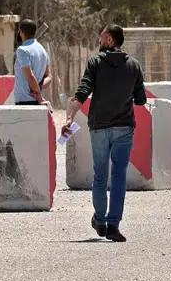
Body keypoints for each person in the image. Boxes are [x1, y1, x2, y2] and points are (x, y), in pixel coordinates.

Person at [60, 24, 146, 243]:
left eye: (101, 37)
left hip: (99, 126)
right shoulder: (134, 65)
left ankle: (99, 220)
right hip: (125, 127)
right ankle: (114, 225)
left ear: (109, 39)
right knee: (118, 176)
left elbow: (85, 88)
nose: (99, 41)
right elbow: (141, 99)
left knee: (100, 175)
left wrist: (70, 116)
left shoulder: (95, 62)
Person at [13, 19, 51, 106]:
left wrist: (38, 94)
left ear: (21, 32)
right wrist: (39, 88)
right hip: (38, 101)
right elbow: (49, 77)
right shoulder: (42, 50)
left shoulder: (22, 50)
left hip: (24, 100)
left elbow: (30, 76)